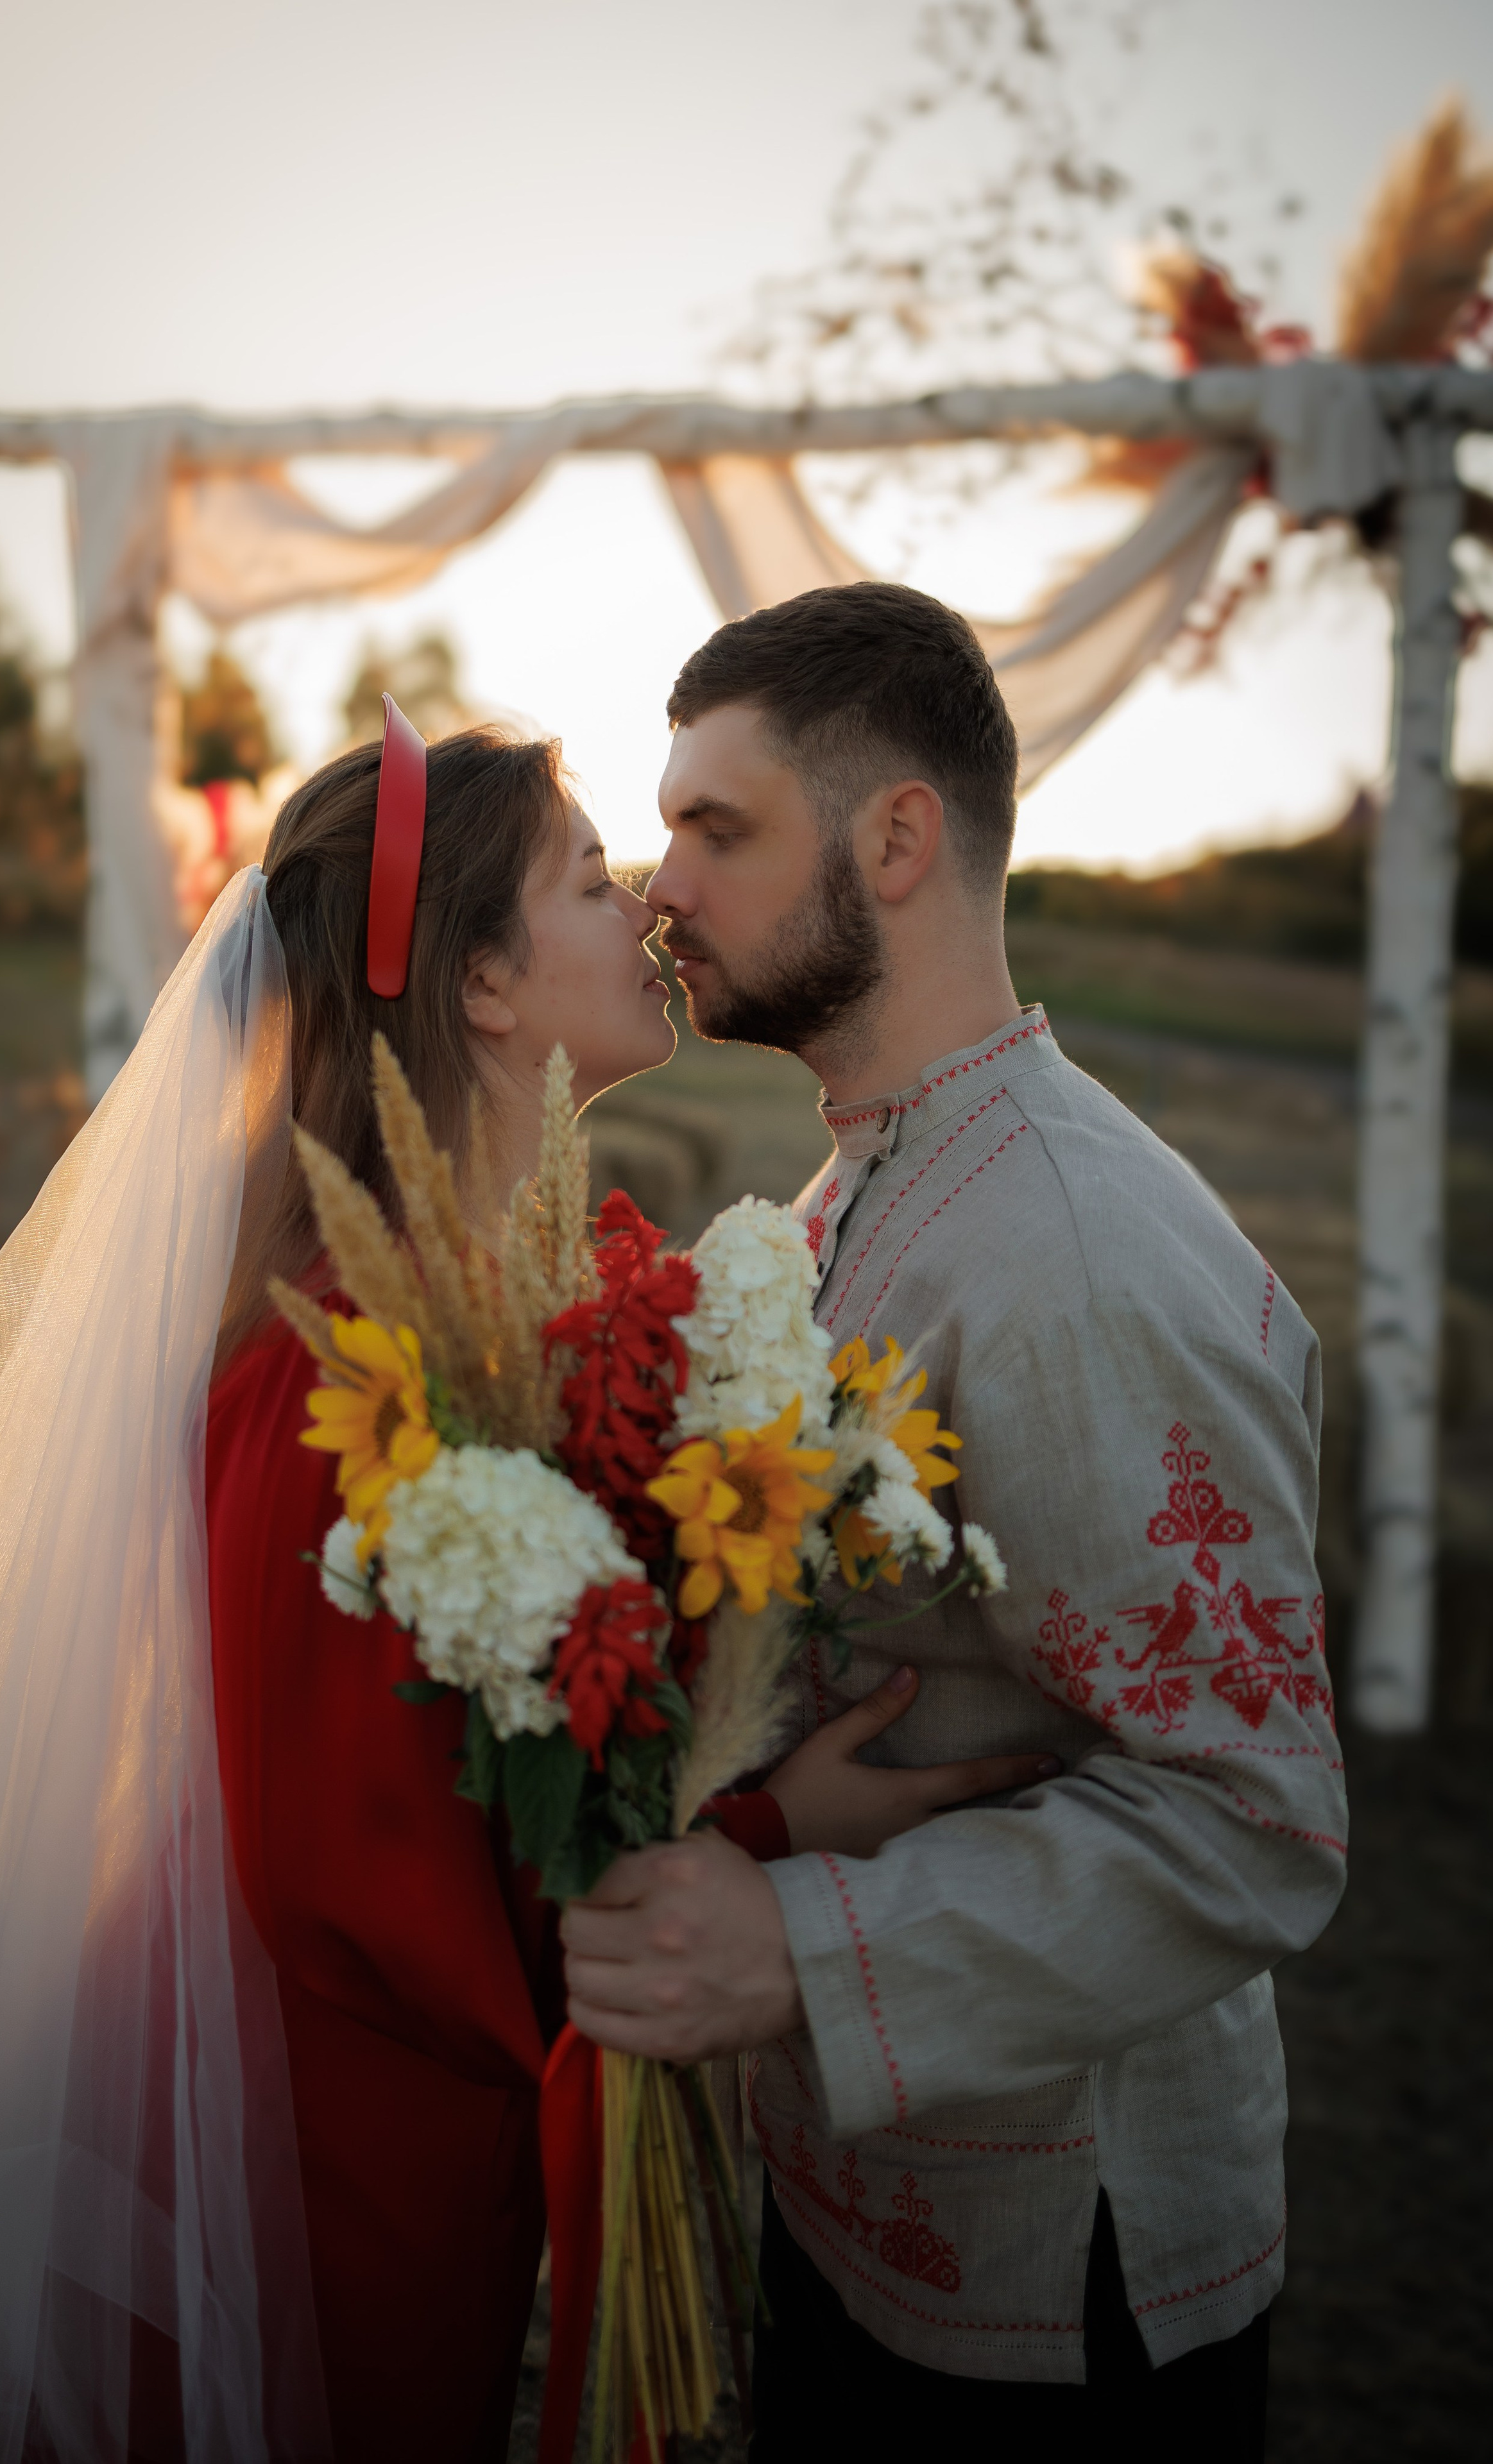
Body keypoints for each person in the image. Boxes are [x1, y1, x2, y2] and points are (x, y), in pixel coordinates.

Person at [0, 705, 1051, 2464]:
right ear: (483, 986)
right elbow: (397, 1910)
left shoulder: (531, 1320)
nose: (644, 898)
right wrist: (762, 1833)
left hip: (412, 2171)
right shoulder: (325, 1390)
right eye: (588, 877)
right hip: (301, 2192)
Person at [559, 581, 1349, 2462]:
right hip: (848, 2194)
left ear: (897, 836)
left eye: (715, 827)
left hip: (1056, 2291)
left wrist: (803, 1947)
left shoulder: (1078, 1255)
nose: (659, 884)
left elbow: (1258, 1821)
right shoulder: (863, 1177)